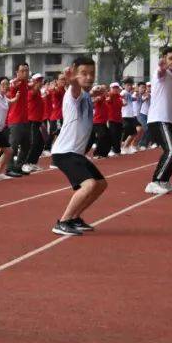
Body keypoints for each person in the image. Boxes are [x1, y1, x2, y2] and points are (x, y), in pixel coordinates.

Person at [50, 58, 108, 237]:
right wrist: (72, 79)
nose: (89, 77)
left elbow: (84, 93)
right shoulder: (73, 92)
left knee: (100, 184)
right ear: (75, 72)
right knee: (89, 184)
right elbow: (74, 87)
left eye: (92, 74)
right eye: (84, 73)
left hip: (76, 153)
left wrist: (93, 93)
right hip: (64, 152)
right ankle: (63, 221)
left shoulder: (84, 94)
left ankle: (75, 218)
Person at [144, 47, 172, 194]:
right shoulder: (160, 73)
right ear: (164, 59)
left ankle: (164, 181)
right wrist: (161, 66)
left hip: (166, 120)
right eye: (170, 58)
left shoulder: (171, 76)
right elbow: (160, 72)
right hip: (157, 119)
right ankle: (155, 182)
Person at [6, 63, 32, 176]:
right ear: (17, 72)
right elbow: (11, 87)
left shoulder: (26, 84)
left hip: (25, 120)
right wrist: (14, 83)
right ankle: (9, 168)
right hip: (15, 120)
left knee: (27, 144)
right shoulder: (15, 83)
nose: (25, 73)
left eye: (27, 70)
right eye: (22, 71)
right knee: (13, 145)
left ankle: (18, 166)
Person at [105, 82, 123, 157]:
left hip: (119, 119)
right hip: (111, 119)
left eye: (116, 88)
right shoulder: (110, 95)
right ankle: (111, 149)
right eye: (114, 88)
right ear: (111, 89)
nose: (115, 89)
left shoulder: (119, 96)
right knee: (113, 135)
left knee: (118, 135)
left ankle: (117, 151)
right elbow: (107, 99)